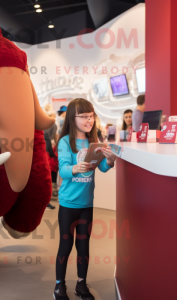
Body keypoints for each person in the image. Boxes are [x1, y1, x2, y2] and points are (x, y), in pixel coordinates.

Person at [53, 98, 117, 300]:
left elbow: (103, 168)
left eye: (91, 116)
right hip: (68, 204)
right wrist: (75, 168)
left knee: (83, 245)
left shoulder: (94, 141)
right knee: (66, 245)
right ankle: (58, 286)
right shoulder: (65, 142)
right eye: (84, 116)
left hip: (86, 204)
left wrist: (110, 159)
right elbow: (63, 169)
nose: (89, 120)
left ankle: (81, 285)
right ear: (73, 118)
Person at [44, 111, 58, 210]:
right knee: (50, 174)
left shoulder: (43, 126)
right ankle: (48, 199)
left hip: (43, 153)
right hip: (49, 153)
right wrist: (53, 153)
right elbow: (51, 140)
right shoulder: (53, 125)